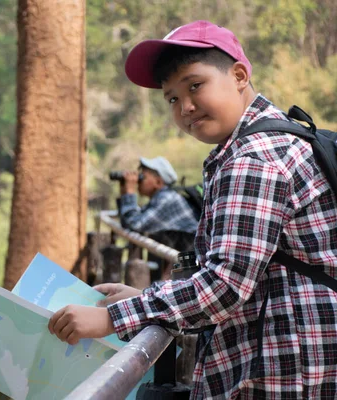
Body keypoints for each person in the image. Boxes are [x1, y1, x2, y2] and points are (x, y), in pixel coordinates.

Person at [49, 20, 337, 399]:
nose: (185, 106)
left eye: (195, 85)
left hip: (283, 370)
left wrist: (110, 318)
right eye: (171, 98)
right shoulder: (273, 139)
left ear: (238, 75)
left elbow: (225, 284)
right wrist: (143, 301)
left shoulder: (254, 158)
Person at [118, 156, 198, 280]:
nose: (138, 180)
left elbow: (135, 225)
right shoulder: (160, 198)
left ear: (158, 182)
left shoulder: (167, 199)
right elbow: (129, 222)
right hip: (183, 258)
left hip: (192, 258)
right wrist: (124, 192)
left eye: (142, 177)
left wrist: (129, 193)